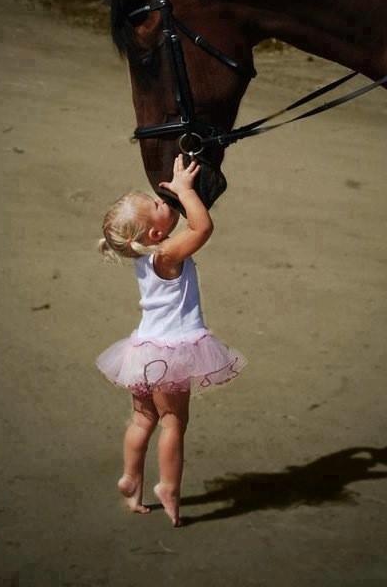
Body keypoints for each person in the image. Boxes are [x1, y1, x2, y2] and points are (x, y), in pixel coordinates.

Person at [96, 155, 246, 526]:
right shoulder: (166, 255)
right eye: (160, 204)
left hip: (143, 351)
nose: (166, 200)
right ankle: (168, 487)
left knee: (141, 418)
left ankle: (131, 479)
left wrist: (178, 192)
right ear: (155, 235)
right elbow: (203, 228)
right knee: (173, 422)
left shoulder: (144, 257)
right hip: (172, 353)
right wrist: (184, 190)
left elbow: (187, 230)